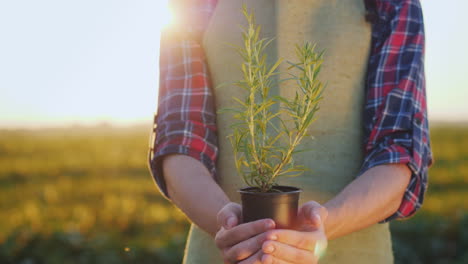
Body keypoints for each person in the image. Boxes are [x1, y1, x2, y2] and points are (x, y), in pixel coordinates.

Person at [148, 0, 433, 263]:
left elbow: (398, 150)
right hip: (223, 249)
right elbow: (181, 141)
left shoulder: (392, 3)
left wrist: (318, 226)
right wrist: (230, 226)